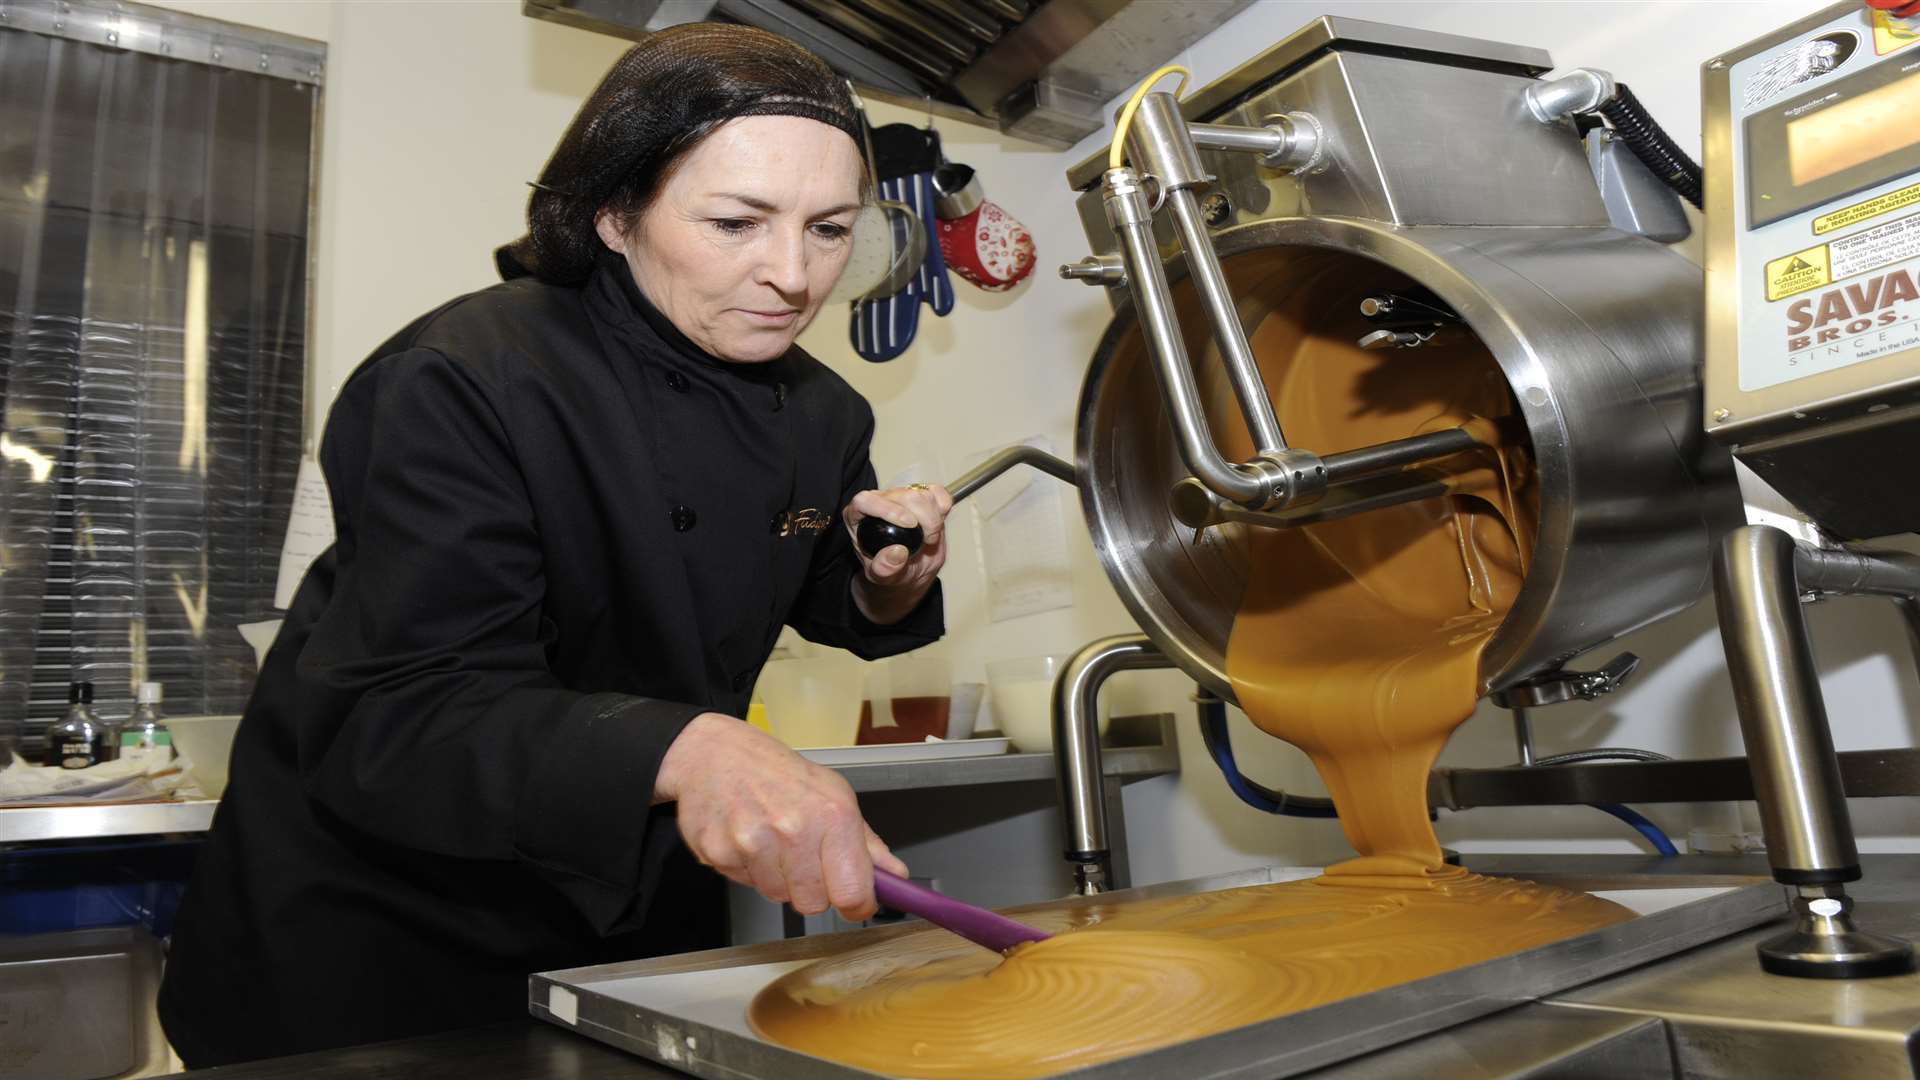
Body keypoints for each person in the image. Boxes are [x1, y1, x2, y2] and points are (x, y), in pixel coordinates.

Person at [158, 23, 951, 1066]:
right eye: (736, 222)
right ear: (615, 213)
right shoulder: (466, 378)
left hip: (623, 913)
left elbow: (811, 587)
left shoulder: (822, 415)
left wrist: (887, 581)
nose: (793, 276)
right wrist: (692, 745)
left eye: (829, 229)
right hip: (381, 937)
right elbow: (400, 718)